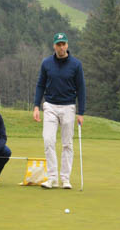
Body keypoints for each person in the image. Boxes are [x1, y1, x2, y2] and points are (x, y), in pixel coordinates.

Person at [33, 32, 86, 189]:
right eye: (58, 44)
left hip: (68, 106)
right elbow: (40, 85)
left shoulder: (76, 65)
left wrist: (81, 112)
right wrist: (36, 106)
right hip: (50, 106)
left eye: (63, 44)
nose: (61, 47)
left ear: (67, 45)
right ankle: (52, 178)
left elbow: (81, 88)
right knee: (48, 140)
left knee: (67, 144)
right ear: (54, 46)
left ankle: (65, 178)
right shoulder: (46, 63)